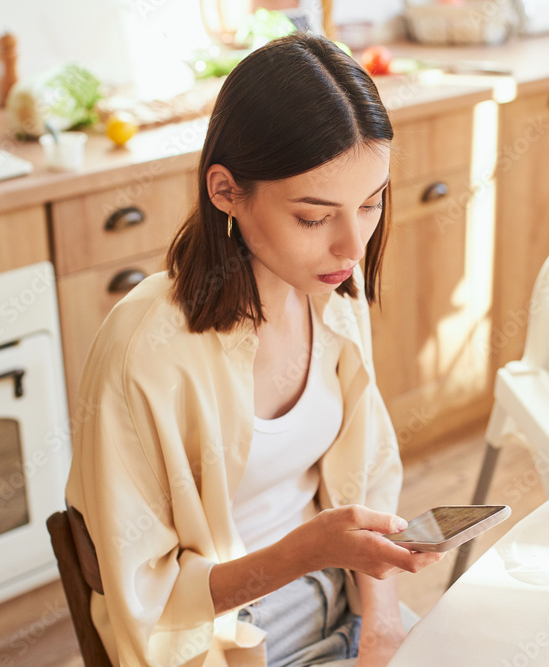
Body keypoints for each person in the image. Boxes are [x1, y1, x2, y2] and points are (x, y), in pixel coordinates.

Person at [64, 32, 443, 667]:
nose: (353, 247)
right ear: (225, 190)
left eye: (371, 204)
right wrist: (304, 552)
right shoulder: (146, 353)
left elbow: (370, 478)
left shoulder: (334, 297)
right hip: (220, 640)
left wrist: (379, 626)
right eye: (314, 217)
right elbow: (146, 600)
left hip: (345, 600)